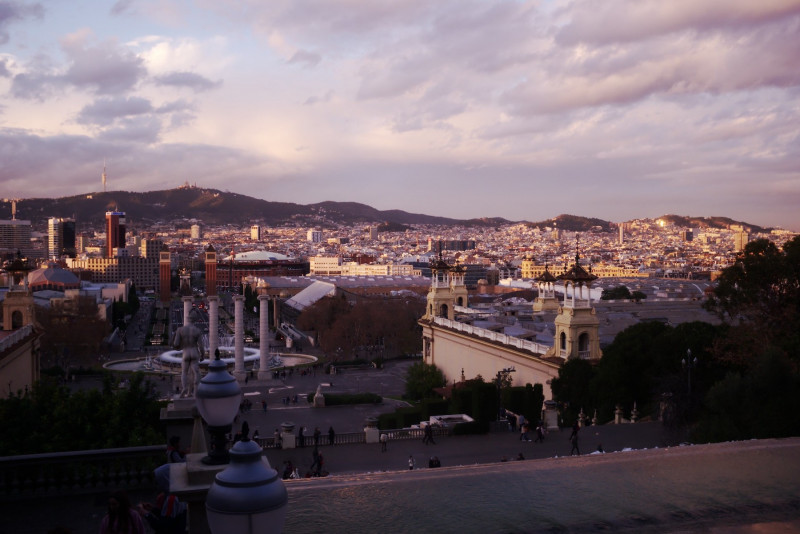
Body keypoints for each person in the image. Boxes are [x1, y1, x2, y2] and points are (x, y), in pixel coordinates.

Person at [171, 321, 204, 398]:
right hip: (194, 352)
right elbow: (201, 346)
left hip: (186, 352)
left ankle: (185, 388)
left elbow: (176, 344)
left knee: (184, 372)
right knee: (196, 372)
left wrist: (182, 344)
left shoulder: (180, 329)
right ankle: (195, 392)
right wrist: (202, 355)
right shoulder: (197, 330)